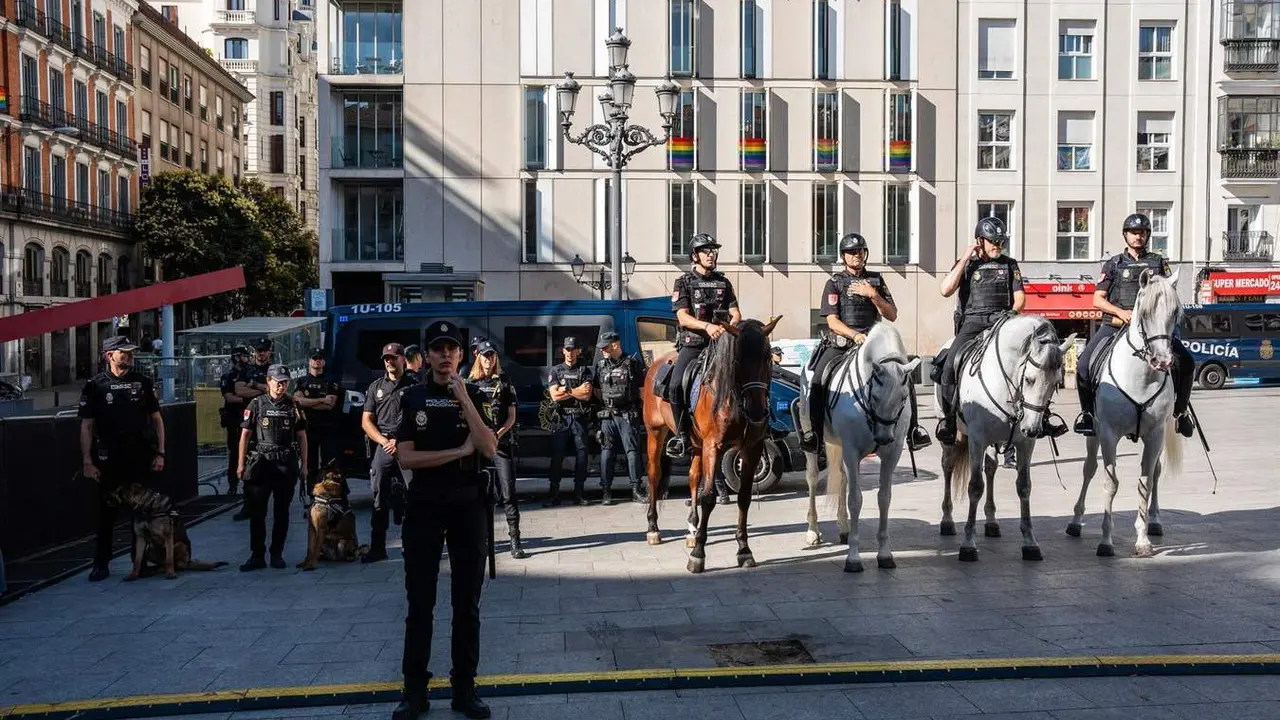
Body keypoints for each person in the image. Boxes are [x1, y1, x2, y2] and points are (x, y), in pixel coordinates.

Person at [392, 320, 498, 720]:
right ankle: (414, 692)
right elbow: (406, 457)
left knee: (466, 605)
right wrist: (457, 452)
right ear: (427, 355)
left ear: (461, 355)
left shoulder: (472, 393)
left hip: (467, 505)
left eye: (452, 349)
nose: (445, 356)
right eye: (438, 349)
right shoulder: (412, 397)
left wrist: (464, 400)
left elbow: (488, 447)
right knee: (420, 604)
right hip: (424, 504)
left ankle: (464, 689)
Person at [937, 217, 1065, 444]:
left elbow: (1020, 300)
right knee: (948, 366)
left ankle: (1041, 418)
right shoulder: (966, 264)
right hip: (973, 323)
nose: (998, 245)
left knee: (1030, 368)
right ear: (980, 241)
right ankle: (948, 421)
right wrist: (966, 258)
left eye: (1001, 241)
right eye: (993, 241)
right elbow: (945, 290)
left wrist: (1012, 313)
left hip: (1003, 322)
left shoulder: (1010, 264)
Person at [801, 232, 932, 453]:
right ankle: (814, 434)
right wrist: (854, 335)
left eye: (860, 251)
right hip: (843, 342)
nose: (857, 255)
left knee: (903, 376)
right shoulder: (834, 283)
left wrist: (872, 295)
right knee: (819, 379)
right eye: (852, 252)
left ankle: (913, 431)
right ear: (843, 256)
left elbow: (891, 314)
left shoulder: (876, 280)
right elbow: (832, 321)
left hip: (874, 344)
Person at [1073, 212, 1197, 438]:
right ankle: (1087, 415)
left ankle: (1181, 413)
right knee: (1083, 366)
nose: (1138, 237)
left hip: (1151, 329)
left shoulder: (1158, 262)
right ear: (1126, 235)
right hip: (1116, 325)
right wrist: (1120, 311)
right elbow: (1097, 299)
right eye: (1134, 232)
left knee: (1187, 362)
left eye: (1142, 233)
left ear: (1147, 235)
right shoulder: (1113, 264)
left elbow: (1168, 293)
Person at [78, 336, 165, 582]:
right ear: (110, 355)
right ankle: (100, 564)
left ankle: (139, 562)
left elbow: (157, 420)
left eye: (130, 352)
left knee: (141, 514)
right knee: (106, 513)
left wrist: (161, 452)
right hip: (108, 459)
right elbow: (86, 426)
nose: (129, 356)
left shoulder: (142, 382)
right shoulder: (95, 385)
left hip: (139, 457)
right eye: (123, 352)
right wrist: (87, 460)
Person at [668, 232, 741, 458]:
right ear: (695, 256)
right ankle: (681, 436)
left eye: (714, 250)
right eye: (706, 251)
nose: (711, 255)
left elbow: (736, 314)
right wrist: (707, 327)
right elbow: (682, 317)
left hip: (722, 346)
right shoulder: (683, 282)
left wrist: (728, 327)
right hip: (694, 344)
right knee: (675, 385)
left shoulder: (724, 282)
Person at [237, 364, 307, 571]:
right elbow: (245, 435)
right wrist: (240, 464)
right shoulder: (256, 404)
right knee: (257, 512)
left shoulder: (293, 405)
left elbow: (302, 437)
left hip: (285, 462)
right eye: (278, 382)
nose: (281, 386)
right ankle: (257, 555)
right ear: (268, 381)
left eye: (285, 383)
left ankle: (277, 553)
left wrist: (305, 465)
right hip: (261, 463)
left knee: (281, 512)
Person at [469, 339, 526, 559]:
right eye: (484, 355)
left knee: (508, 493)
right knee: (480, 495)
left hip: (501, 445)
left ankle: (515, 539)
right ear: (478, 357)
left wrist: (497, 434)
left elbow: (511, 416)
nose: (488, 359)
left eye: (491, 355)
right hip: (479, 449)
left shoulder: (504, 381)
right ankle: (482, 538)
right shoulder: (470, 383)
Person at [361, 343, 415, 562]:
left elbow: (421, 418)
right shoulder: (375, 387)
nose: (389, 362)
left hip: (408, 445)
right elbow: (366, 420)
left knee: (415, 497)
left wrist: (399, 440)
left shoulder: (414, 385)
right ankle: (377, 547)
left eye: (393, 358)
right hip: (384, 445)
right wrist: (384, 441)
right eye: (386, 359)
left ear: (403, 359)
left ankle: (412, 545)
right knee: (379, 498)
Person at [593, 331, 647, 505]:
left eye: (605, 347)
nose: (602, 351)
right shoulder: (601, 365)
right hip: (608, 416)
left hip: (627, 415)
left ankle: (636, 489)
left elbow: (642, 391)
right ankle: (606, 491)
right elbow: (596, 390)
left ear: (615, 345)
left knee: (632, 453)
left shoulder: (632, 363)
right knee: (606, 453)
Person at [546, 337, 594, 506]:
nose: (570, 353)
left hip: (579, 418)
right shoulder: (556, 370)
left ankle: (579, 493)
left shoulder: (585, 371)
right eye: (567, 349)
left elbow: (586, 395)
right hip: (561, 418)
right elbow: (554, 396)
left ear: (578, 351)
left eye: (573, 349)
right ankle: (553, 493)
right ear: (563, 351)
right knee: (557, 456)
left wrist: (564, 390)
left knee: (582, 455)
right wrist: (575, 390)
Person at [230, 337, 272, 521]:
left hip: (271, 422)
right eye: (258, 350)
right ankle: (248, 506)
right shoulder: (246, 370)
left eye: (264, 350)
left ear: (270, 351)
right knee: (248, 466)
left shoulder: (274, 370)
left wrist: (254, 385)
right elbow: (239, 391)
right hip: (250, 421)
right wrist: (264, 389)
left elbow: (279, 391)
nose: (261, 353)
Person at [292, 348, 342, 487]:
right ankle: (311, 494)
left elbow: (329, 404)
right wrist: (320, 400)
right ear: (309, 360)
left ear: (324, 361)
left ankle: (329, 494)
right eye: (314, 358)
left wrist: (307, 402)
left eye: (320, 358)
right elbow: (297, 401)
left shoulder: (331, 381)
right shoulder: (301, 381)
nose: (317, 360)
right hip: (308, 427)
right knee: (310, 463)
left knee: (329, 463)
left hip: (327, 427)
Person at [219, 347, 252, 497]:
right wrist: (248, 398)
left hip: (249, 416)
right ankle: (233, 485)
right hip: (234, 419)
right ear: (237, 357)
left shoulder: (250, 374)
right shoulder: (228, 376)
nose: (247, 359)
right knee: (235, 454)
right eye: (244, 356)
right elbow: (229, 397)